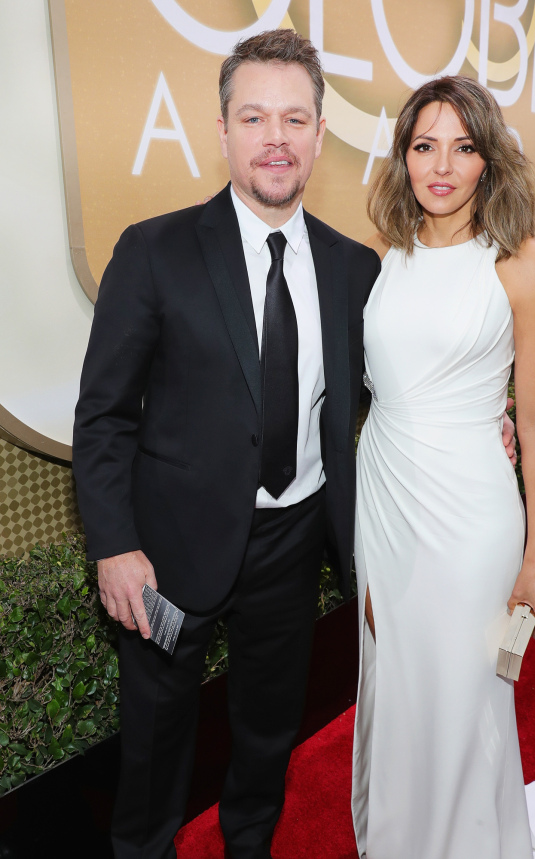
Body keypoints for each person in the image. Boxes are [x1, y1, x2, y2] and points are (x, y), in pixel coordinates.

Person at [72, 30, 386, 859]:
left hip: (294, 539)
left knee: (266, 727)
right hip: (170, 545)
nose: (274, 137)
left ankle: (250, 844)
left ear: (321, 133)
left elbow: (387, 394)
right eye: (254, 117)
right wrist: (113, 545)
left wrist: (485, 419)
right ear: (222, 130)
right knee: (154, 739)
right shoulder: (153, 250)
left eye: (293, 118)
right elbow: (104, 414)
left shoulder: (355, 268)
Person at [350, 76, 535, 858]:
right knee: (395, 689)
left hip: (470, 518)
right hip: (383, 499)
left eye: (462, 147)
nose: (442, 165)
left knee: (461, 696)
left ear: (488, 161)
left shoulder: (525, 267)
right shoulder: (382, 256)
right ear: (401, 156)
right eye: (424, 145)